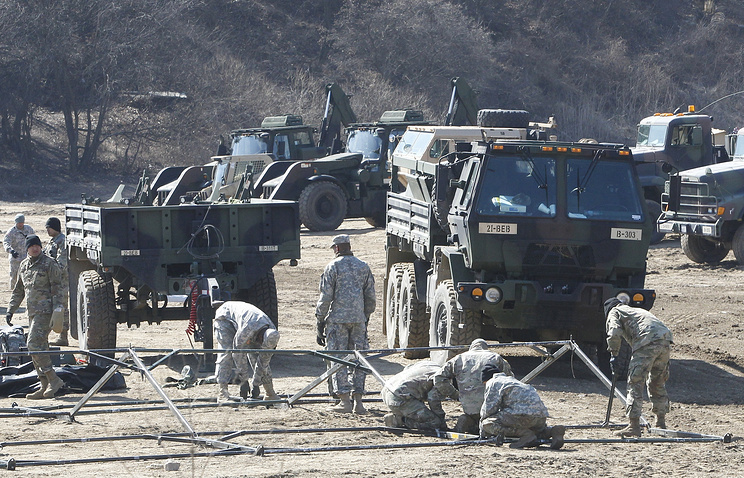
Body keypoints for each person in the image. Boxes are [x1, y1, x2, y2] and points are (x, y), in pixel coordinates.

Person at [316, 234, 376, 414]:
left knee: (338, 358)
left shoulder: (332, 267)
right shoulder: (363, 266)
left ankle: (344, 401)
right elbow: (371, 297)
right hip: (358, 320)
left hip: (337, 321)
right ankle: (358, 402)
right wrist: (365, 316)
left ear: (336, 248)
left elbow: (325, 297)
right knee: (359, 359)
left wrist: (320, 320)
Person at [5, 234, 66, 399]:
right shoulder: (24, 266)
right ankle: (44, 384)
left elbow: (58, 287)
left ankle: (53, 378)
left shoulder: (49, 264)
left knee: (33, 343)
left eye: (37, 245)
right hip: (32, 313)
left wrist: (59, 310)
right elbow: (19, 291)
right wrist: (11, 309)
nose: (35, 248)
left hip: (47, 312)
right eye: (32, 246)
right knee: (40, 348)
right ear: (27, 249)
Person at [604, 297, 673, 437]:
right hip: (665, 340)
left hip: (646, 341)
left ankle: (634, 426)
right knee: (657, 381)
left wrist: (614, 354)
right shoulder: (635, 310)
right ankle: (660, 422)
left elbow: (614, 332)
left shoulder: (615, 311)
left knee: (635, 381)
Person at [433, 338, 514, 434]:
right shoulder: (495, 358)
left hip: (469, 407)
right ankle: (484, 426)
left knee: (471, 416)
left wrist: (455, 394)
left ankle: (469, 421)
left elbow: (438, 378)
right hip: (491, 407)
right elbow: (510, 380)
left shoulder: (458, 359)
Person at [480, 364, 565, 449]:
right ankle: (551, 431)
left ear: (486, 379)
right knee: (533, 429)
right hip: (540, 417)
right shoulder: (512, 380)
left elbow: (489, 410)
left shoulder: (493, 382)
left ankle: (525, 435)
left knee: (487, 423)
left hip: (522, 416)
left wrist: (482, 430)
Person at [213, 301, 280, 403]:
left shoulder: (272, 332)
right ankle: (223, 394)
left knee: (256, 355)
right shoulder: (247, 329)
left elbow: (263, 361)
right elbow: (238, 354)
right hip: (225, 319)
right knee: (227, 353)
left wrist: (256, 383)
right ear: (261, 337)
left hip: (250, 327)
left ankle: (269, 393)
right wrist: (244, 380)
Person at [381, 361, 447, 431]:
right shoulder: (443, 379)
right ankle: (399, 420)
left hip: (388, 388)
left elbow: (408, 367)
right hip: (399, 399)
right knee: (435, 422)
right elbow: (433, 399)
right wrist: (441, 419)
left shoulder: (433, 364)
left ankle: (405, 413)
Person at [43, 217, 70, 346]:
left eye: (49, 227)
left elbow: (62, 264)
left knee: (61, 308)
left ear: (55, 228)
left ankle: (63, 336)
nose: (47, 230)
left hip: (60, 282)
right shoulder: (52, 242)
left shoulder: (62, 241)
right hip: (51, 281)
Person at [3, 213, 34, 293]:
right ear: (16, 222)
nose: (20, 224)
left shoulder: (28, 229)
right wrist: (11, 251)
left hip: (26, 257)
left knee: (28, 275)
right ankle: (14, 292)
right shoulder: (11, 231)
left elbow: (34, 239)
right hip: (15, 258)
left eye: (22, 222)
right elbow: (6, 242)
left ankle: (27, 291)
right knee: (14, 276)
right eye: (19, 223)